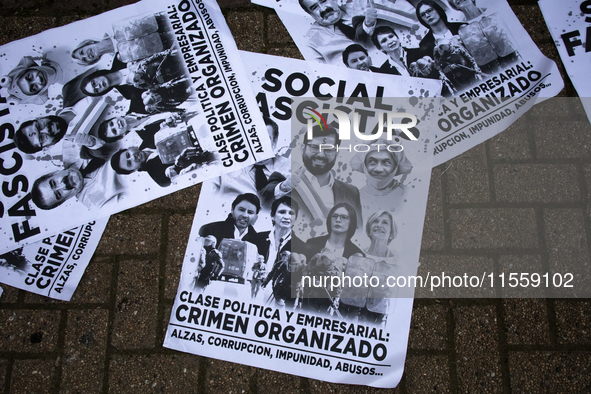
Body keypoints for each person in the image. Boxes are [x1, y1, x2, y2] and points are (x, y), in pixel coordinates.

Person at [292, 124, 362, 229]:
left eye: (328, 149)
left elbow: (357, 230)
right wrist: (283, 187)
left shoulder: (351, 192)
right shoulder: (287, 182)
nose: (321, 155)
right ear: (302, 148)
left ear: (336, 153)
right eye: (315, 147)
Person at [213, 116, 291, 208]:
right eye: (253, 139)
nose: (258, 145)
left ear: (274, 142)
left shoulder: (290, 169)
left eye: (265, 140)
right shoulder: (223, 170)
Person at [341, 211, 399, 323]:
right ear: (369, 230)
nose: (379, 225)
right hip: (351, 311)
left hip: (377, 315)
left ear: (391, 232)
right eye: (375, 221)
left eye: (385, 222)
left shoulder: (396, 261)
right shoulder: (357, 255)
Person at [299, 0, 378, 64]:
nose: (323, 9)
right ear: (310, 13)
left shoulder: (363, 8)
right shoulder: (311, 44)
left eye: (324, 1)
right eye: (314, 7)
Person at [350, 140, 413, 218]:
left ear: (395, 166)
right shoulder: (354, 199)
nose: (378, 169)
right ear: (364, 165)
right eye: (372, 161)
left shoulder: (410, 196)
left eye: (386, 162)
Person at [110, 145, 214, 187]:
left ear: (129, 148)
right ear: (134, 170)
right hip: (211, 156)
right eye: (130, 163)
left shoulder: (150, 132)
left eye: (128, 154)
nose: (133, 157)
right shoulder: (158, 177)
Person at [198, 193, 268, 255]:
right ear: (232, 209)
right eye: (241, 210)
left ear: (255, 216)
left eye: (250, 212)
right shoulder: (210, 230)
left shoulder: (258, 241)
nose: (245, 215)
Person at [30, 159, 106, 210]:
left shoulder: (72, 145)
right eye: (59, 194)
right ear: (65, 200)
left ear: (53, 173)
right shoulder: (97, 203)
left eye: (54, 183)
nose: (63, 185)